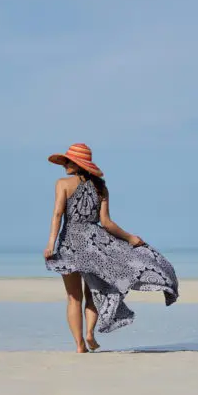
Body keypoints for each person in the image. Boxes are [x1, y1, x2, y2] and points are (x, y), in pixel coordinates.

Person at [44, 143, 179, 353]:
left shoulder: (62, 184)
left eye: (68, 161)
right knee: (92, 292)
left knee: (73, 297)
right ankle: (90, 333)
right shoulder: (101, 188)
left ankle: (79, 345)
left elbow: (57, 215)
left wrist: (51, 244)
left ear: (78, 164)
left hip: (69, 244)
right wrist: (130, 238)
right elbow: (106, 223)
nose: (64, 165)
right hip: (94, 246)